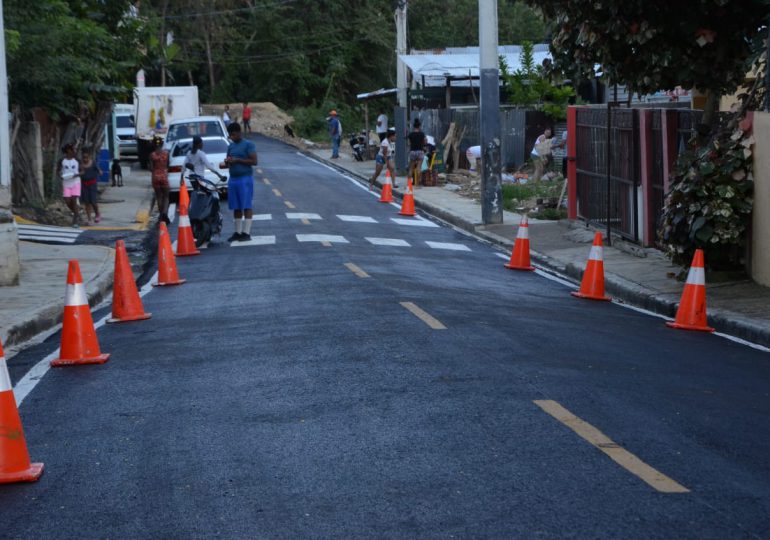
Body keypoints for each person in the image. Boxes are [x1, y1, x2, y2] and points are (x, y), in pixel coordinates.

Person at [222, 122, 258, 242]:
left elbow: (254, 161)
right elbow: (228, 160)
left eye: (232, 134)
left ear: (238, 133)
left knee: (246, 205)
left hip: (245, 178)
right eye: (230, 135)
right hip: (233, 179)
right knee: (236, 206)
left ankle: (246, 232)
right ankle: (237, 232)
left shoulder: (248, 145)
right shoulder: (230, 146)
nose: (231, 137)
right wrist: (227, 162)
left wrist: (238, 160)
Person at [149, 136, 171, 224]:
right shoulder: (166, 154)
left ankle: (161, 215)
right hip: (164, 176)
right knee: (166, 196)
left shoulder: (152, 155)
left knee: (159, 197)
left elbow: (151, 168)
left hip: (155, 176)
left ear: (154, 144)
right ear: (162, 144)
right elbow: (168, 165)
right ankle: (165, 214)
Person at [58, 143, 81, 227]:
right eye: (73, 149)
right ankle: (77, 213)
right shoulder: (62, 160)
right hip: (66, 182)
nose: (75, 151)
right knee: (67, 201)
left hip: (76, 182)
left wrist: (77, 174)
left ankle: (75, 222)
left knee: (74, 201)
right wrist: (60, 175)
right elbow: (58, 170)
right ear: (68, 150)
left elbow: (82, 171)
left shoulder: (77, 160)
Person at [79, 151, 101, 225]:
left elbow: (98, 170)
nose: (85, 159)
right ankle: (89, 219)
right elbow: (79, 173)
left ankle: (97, 214)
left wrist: (100, 171)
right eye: (84, 158)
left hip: (92, 185)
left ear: (89, 157)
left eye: (87, 158)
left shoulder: (93, 163)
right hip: (84, 185)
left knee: (93, 201)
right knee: (87, 202)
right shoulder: (81, 165)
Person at [407, 118, 427, 185]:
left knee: (411, 168)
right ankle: (418, 184)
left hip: (412, 152)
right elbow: (425, 142)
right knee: (419, 168)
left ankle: (409, 184)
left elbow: (409, 144)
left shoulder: (411, 134)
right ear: (419, 126)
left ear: (414, 126)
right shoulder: (422, 134)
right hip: (420, 151)